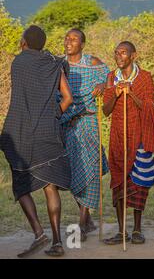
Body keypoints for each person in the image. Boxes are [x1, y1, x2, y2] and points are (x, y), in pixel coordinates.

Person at [0, 25, 73, 257]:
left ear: (25, 43)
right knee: (50, 187)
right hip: (46, 131)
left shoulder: (18, 63)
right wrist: (54, 114)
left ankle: (39, 234)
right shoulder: (55, 64)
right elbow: (68, 98)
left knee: (21, 186)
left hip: (19, 130)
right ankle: (57, 242)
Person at [102, 41, 154, 245]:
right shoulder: (111, 78)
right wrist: (117, 94)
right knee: (119, 182)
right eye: (116, 53)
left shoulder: (145, 77)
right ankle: (121, 231)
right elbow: (106, 110)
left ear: (133, 55)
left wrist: (131, 93)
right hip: (118, 139)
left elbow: (149, 109)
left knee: (140, 183)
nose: (119, 56)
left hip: (140, 137)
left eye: (123, 53)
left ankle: (137, 229)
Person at [61, 29, 110, 241]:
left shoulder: (92, 62)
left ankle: (81, 222)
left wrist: (101, 85)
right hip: (67, 125)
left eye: (74, 39)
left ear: (82, 44)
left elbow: (110, 77)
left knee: (91, 167)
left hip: (88, 121)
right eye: (67, 38)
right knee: (73, 173)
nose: (69, 42)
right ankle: (87, 217)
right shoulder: (59, 65)